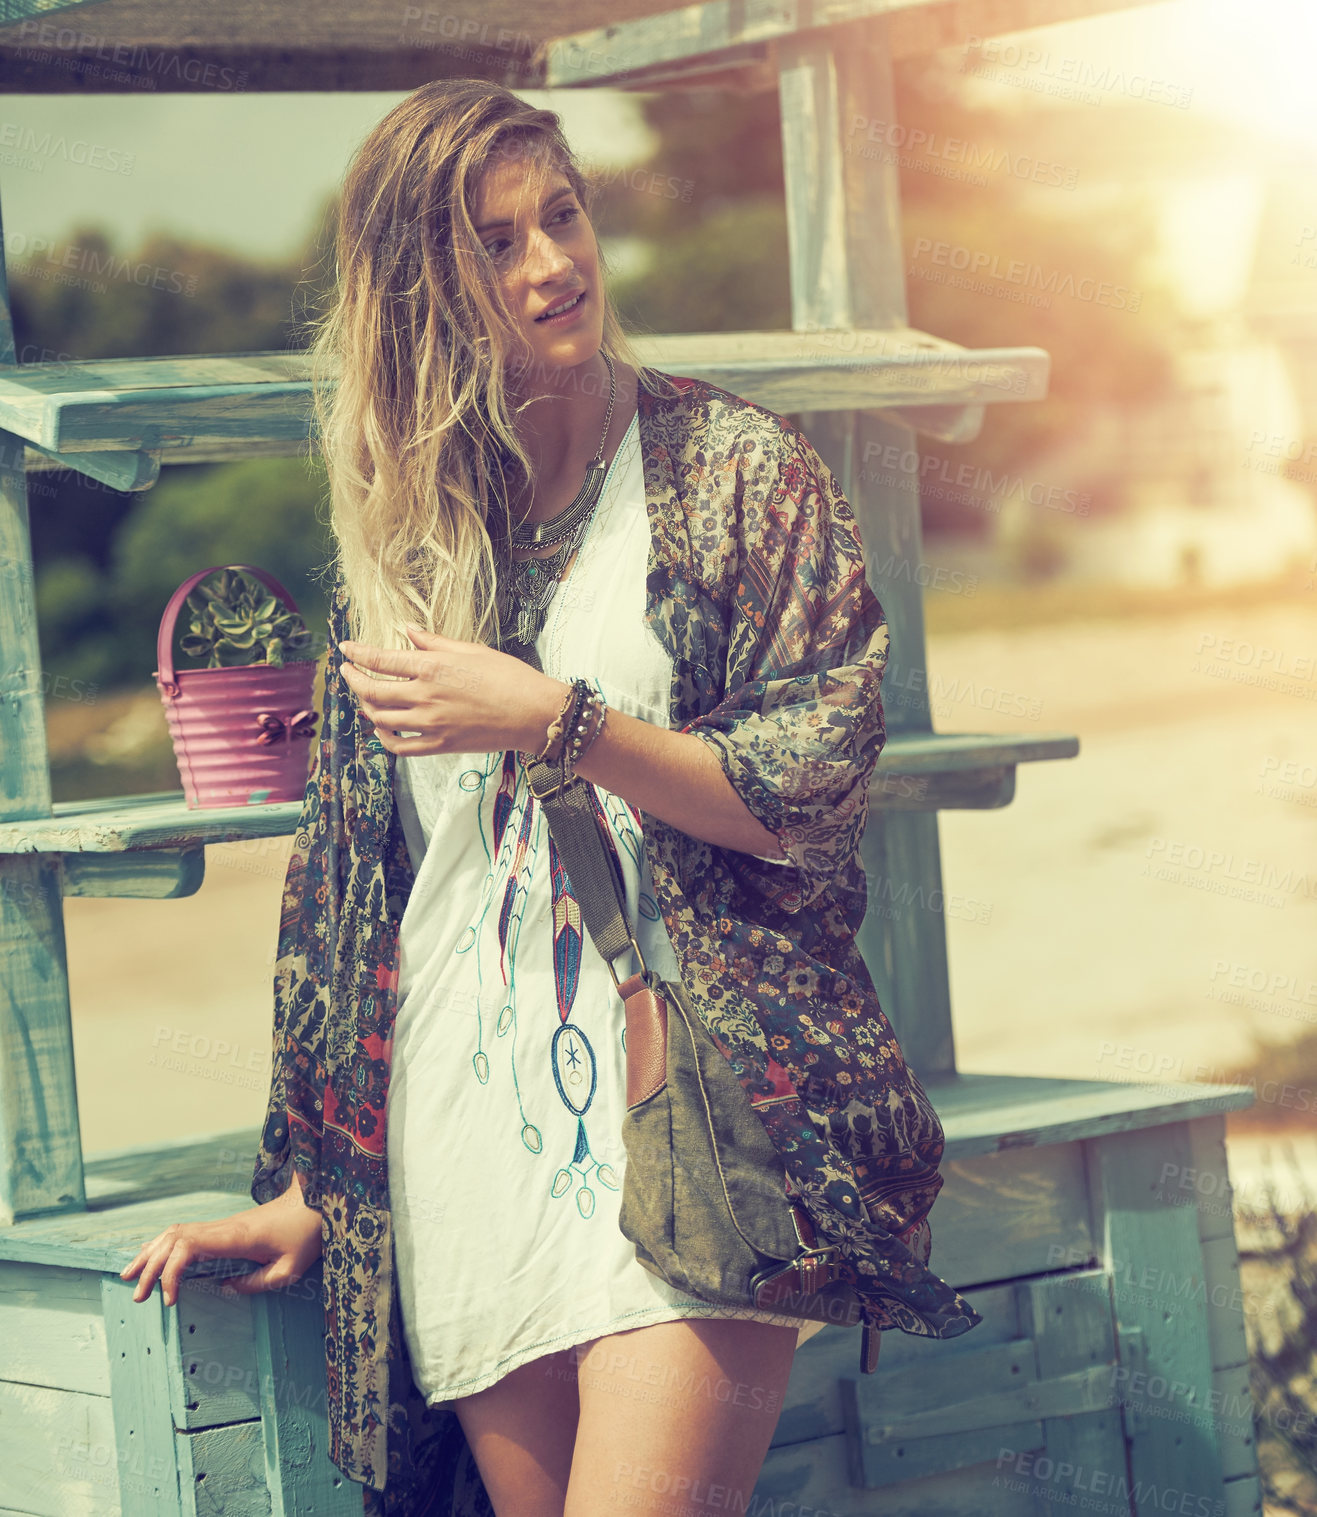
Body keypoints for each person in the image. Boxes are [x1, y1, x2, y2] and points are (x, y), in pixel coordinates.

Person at [120, 78, 982, 1517]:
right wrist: (312, 1179)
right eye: (498, 242)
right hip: (466, 1134)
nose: (553, 265)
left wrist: (557, 718)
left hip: (692, 1112)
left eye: (561, 216)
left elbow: (806, 786)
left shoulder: (733, 474)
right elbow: (351, 890)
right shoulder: (399, 536)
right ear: (422, 291)